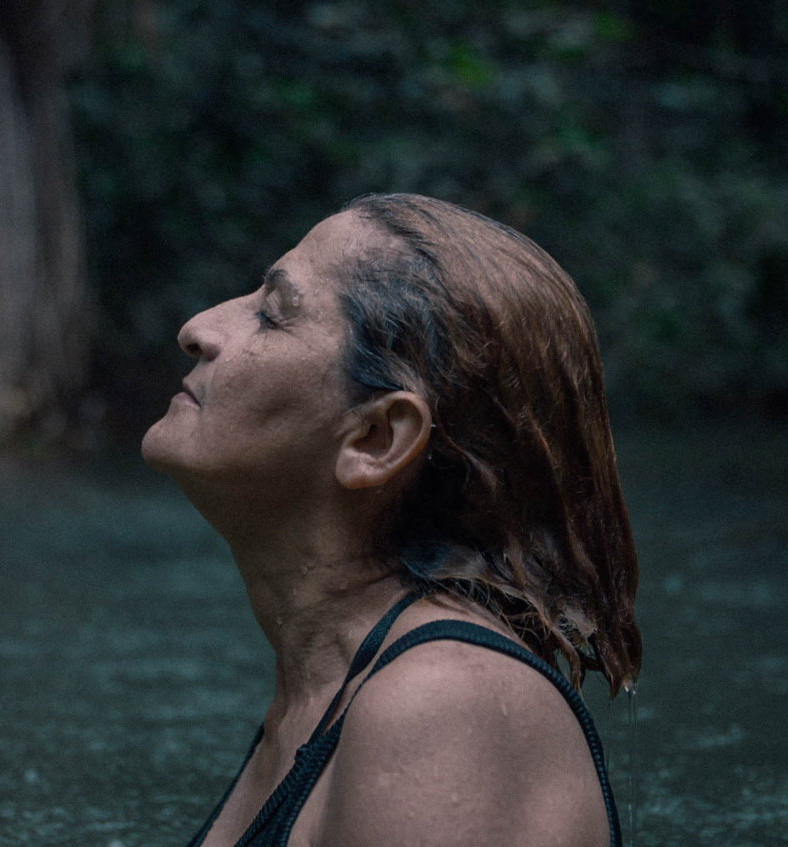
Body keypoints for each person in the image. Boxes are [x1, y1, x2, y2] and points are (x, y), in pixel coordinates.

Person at [142, 193, 641, 847]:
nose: (199, 327)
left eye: (272, 313)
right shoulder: (323, 695)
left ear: (375, 438)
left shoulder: (440, 703)